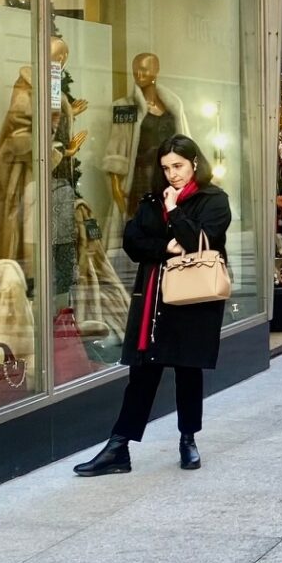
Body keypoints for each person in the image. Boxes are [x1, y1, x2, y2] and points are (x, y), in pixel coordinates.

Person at [75, 135, 232, 476]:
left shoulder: (214, 200)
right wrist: (166, 248)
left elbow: (200, 242)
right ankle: (118, 447)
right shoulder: (151, 200)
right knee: (142, 373)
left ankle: (188, 440)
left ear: (194, 163)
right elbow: (133, 242)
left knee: (187, 371)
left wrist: (174, 211)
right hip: (153, 299)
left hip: (192, 299)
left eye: (178, 166)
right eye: (166, 168)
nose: (172, 174)